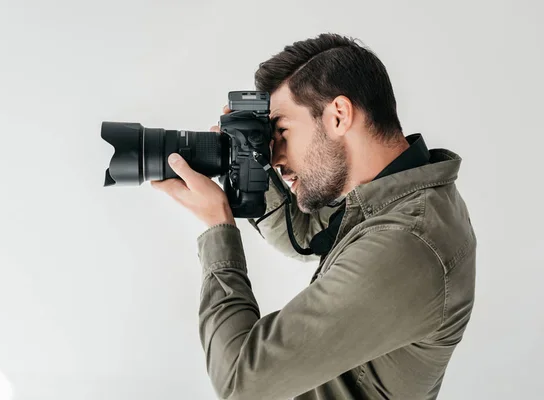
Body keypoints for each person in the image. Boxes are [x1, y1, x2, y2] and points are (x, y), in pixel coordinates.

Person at [151, 33, 476, 400]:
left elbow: (240, 383)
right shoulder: (398, 194)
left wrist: (218, 226)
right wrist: (248, 159)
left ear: (338, 115)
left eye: (282, 131)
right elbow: (305, 237)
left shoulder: (406, 242)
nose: (276, 156)